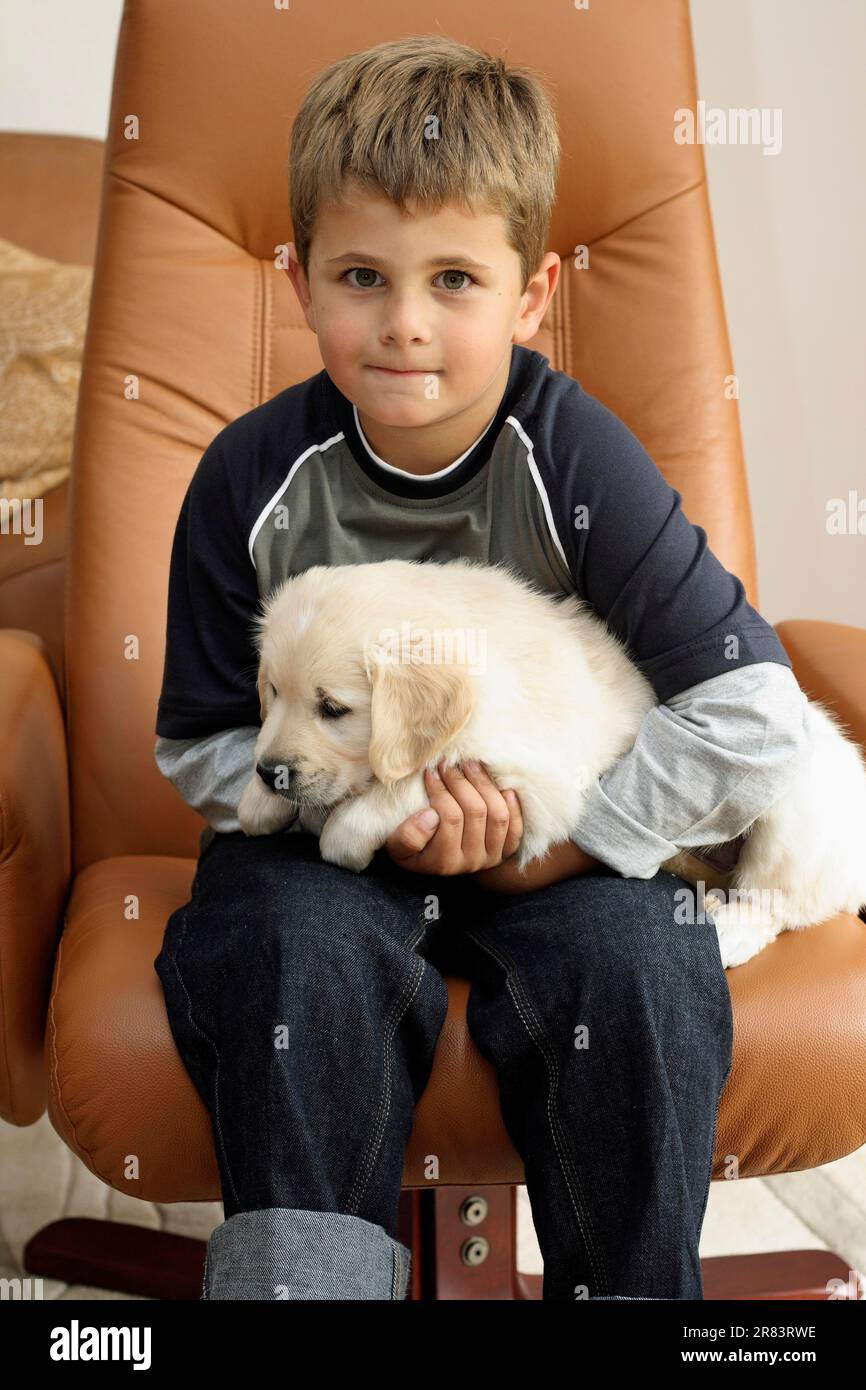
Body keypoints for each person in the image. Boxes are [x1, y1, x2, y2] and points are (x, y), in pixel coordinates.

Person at [153, 35, 809, 1300]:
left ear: (532, 291)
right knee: (285, 940)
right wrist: (367, 815)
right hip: (320, 866)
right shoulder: (246, 477)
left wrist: (561, 844)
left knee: (641, 958)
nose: (403, 322)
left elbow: (750, 716)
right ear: (296, 282)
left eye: (453, 278)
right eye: (360, 275)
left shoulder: (573, 458)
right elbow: (197, 742)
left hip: (565, 865)